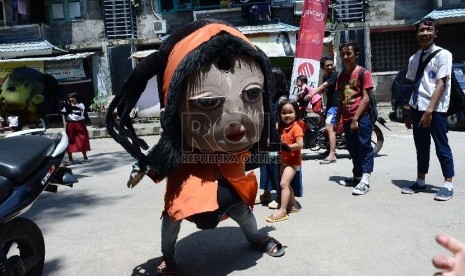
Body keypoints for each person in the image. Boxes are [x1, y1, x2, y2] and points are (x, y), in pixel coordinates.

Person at [105, 20, 286, 275]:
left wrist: (282, 153)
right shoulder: (180, 148)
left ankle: (257, 238)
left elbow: (260, 154)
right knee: (171, 220)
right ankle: (168, 257)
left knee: (244, 215)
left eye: (253, 95)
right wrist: (139, 168)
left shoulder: (238, 145)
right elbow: (153, 160)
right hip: (189, 190)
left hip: (229, 189)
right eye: (209, 101)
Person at [400, 17, 455, 201]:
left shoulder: (443, 55)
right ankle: (420, 181)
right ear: (417, 34)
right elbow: (412, 84)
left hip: (436, 109)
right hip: (417, 108)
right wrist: (409, 113)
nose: (425, 33)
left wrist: (430, 111)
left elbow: (441, 83)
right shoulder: (413, 58)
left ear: (435, 33)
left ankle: (448, 183)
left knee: (441, 146)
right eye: (421, 30)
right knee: (421, 146)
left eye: (429, 30)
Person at [255, 68, 303, 209]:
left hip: (279, 140)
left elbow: (281, 122)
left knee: (277, 168)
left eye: (271, 78)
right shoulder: (269, 95)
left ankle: (279, 196)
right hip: (269, 137)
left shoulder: (282, 99)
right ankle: (266, 193)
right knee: (265, 167)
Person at [336, 40, 375, 196]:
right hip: (346, 118)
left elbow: (366, 98)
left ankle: (365, 180)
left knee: (364, 147)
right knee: (352, 148)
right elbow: (340, 99)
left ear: (356, 54)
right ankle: (357, 176)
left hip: (361, 117)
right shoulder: (341, 76)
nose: (345, 56)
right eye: (343, 54)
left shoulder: (363, 73)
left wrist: (355, 119)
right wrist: (338, 119)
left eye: (349, 53)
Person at [266, 99, 303, 223]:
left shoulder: (296, 128)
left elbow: (300, 144)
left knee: (283, 184)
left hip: (293, 162)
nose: (287, 115)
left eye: (290, 112)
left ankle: (282, 211)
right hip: (284, 161)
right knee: (286, 184)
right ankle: (293, 205)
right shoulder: (281, 126)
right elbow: (272, 133)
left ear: (296, 113)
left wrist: (284, 147)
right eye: (283, 113)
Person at [306, 56, 339, 164]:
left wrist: (312, 94)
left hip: (336, 105)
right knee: (323, 125)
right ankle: (329, 149)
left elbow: (324, 86)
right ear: (322, 68)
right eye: (327, 66)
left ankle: (332, 154)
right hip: (330, 105)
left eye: (331, 65)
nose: (330, 67)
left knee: (329, 128)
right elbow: (324, 90)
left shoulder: (334, 74)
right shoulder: (325, 76)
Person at [61, 93, 91, 165]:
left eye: (72, 98)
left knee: (82, 139)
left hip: (80, 124)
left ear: (76, 98)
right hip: (70, 124)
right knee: (69, 140)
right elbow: (62, 112)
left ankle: (85, 157)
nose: (71, 99)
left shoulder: (81, 105)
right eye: (69, 98)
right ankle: (70, 159)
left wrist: (69, 106)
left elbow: (79, 109)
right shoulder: (66, 107)